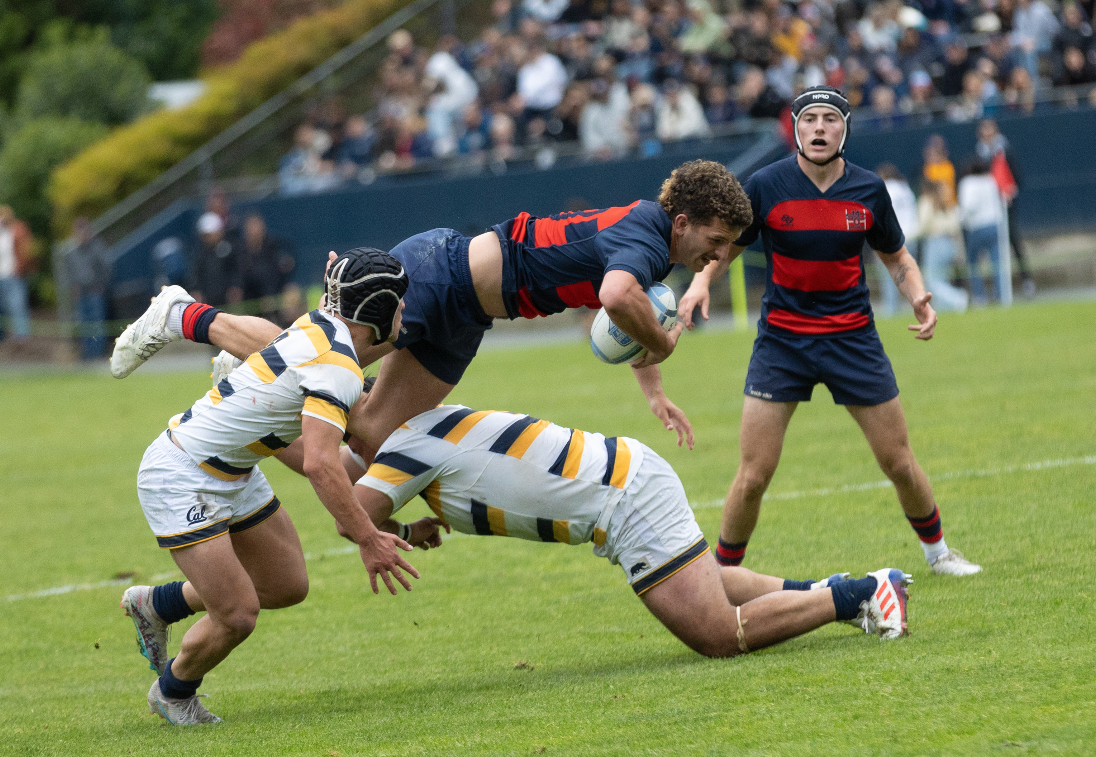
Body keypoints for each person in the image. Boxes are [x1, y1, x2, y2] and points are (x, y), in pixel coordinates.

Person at [112, 160, 754, 466]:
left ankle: (239, 366)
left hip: (467, 314)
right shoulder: (645, 238)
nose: (718, 256)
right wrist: (665, 348)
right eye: (718, 240)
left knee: (370, 434)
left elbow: (622, 311)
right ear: (684, 220)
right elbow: (619, 301)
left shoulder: (652, 252)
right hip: (440, 273)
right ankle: (183, 314)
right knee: (316, 353)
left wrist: (654, 388)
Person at [678, 87, 981, 577]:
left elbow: (897, 258)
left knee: (898, 462)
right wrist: (698, 284)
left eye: (830, 119)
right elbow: (725, 247)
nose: (819, 128)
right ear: (795, 128)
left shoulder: (868, 190)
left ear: (844, 129)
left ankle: (939, 553)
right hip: (782, 343)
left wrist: (919, 296)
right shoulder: (765, 185)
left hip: (853, 340)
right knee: (754, 475)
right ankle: (718, 576)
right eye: (810, 119)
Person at [345, 402, 914, 656]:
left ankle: (860, 595)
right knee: (706, 582)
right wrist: (410, 525)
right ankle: (835, 589)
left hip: (622, 498)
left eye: (348, 435)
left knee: (717, 634)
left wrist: (383, 516)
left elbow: (352, 513)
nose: (354, 448)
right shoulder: (419, 428)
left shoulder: (403, 446)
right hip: (625, 478)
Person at [118, 248, 414, 726]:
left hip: (233, 470)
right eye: (399, 303)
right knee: (237, 614)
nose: (406, 310)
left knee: (285, 585)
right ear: (377, 311)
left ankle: (158, 604)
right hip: (182, 477)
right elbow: (320, 465)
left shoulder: (321, 328)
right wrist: (369, 538)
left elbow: (306, 459)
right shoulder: (337, 369)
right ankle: (173, 692)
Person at [976, 119, 1034, 296]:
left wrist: (1007, 192)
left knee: (1014, 241)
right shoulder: (979, 155)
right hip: (987, 209)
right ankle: (994, 286)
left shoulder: (1005, 153)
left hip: (1006, 206)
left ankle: (1027, 280)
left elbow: (1016, 178)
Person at [915, 179, 969, 313]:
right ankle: (945, 311)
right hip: (949, 243)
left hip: (935, 242)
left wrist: (907, 235)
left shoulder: (927, 201)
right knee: (942, 279)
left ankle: (958, 298)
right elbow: (955, 224)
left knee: (932, 281)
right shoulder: (945, 204)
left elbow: (923, 226)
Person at [957, 159, 1006, 305]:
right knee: (996, 262)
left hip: (977, 227)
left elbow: (968, 206)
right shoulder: (990, 180)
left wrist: (960, 218)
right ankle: (1001, 294)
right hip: (995, 225)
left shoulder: (967, 183)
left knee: (973, 263)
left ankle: (979, 296)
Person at [874, 164, 918, 318]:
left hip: (893, 237)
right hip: (911, 235)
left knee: (889, 275)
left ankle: (891, 310)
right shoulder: (905, 188)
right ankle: (917, 305)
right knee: (909, 275)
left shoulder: (886, 188)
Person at [65, 217, 111, 360]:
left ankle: (97, 353)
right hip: (80, 293)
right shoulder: (71, 252)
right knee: (84, 323)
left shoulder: (97, 247)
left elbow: (106, 268)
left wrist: (100, 285)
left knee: (97, 323)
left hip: (94, 291)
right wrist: (73, 287)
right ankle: (87, 354)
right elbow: (69, 272)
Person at [0, 205, 35, 348]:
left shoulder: (17, 230)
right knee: (4, 308)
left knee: (17, 306)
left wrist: (19, 269)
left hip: (14, 276)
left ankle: (22, 338)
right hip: (2, 275)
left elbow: (26, 251)